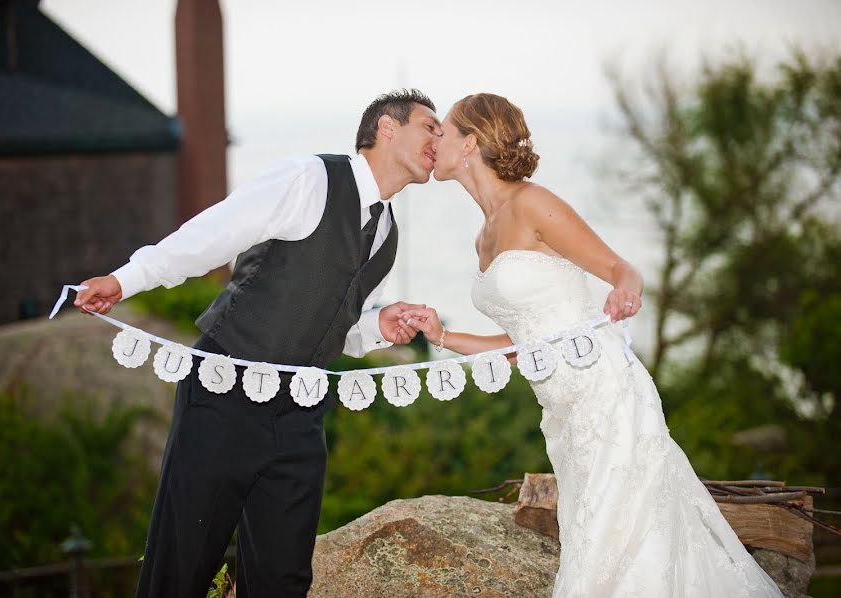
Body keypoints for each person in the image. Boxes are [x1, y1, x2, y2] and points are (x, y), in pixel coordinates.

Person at [401, 93, 783, 597]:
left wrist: (626, 292)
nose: (435, 141)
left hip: (606, 396)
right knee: (597, 543)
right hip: (562, 416)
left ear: (470, 143)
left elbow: (620, 268)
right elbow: (521, 346)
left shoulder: (531, 203)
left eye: (442, 131)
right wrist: (441, 336)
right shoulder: (483, 239)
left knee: (618, 553)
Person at [73, 89, 442, 598]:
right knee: (180, 567)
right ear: (387, 127)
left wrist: (380, 326)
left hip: (300, 417)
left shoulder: (387, 233)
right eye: (431, 126)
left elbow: (339, 323)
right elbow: (213, 232)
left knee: (283, 579)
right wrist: (127, 279)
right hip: (223, 392)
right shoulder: (310, 179)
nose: (439, 140)